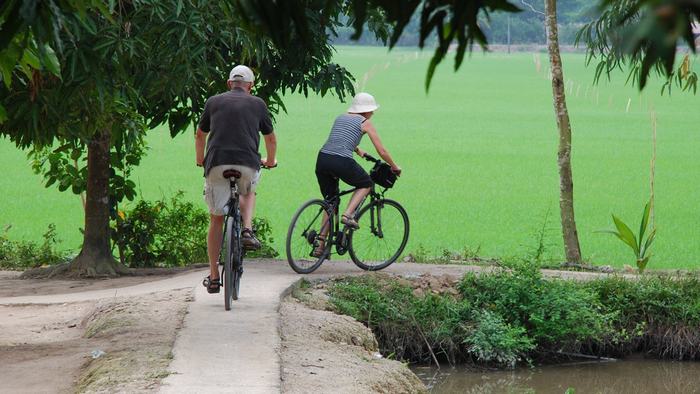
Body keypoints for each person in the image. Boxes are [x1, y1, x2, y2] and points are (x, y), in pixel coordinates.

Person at [195, 65, 277, 293]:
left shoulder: (213, 101)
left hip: (216, 163)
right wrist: (270, 161)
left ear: (229, 83)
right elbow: (270, 139)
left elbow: (200, 134)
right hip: (247, 163)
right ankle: (247, 230)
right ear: (250, 86)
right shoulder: (258, 103)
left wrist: (200, 159)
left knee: (216, 219)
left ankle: (213, 276)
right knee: (248, 191)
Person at [313, 92, 401, 256]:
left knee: (330, 201)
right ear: (366, 111)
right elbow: (381, 150)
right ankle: (348, 215)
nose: (373, 114)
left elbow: (339, 139)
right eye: (372, 111)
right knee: (366, 183)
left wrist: (358, 149)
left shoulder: (340, 117)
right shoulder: (365, 123)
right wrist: (394, 166)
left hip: (323, 159)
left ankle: (320, 244)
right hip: (341, 160)